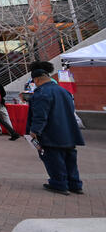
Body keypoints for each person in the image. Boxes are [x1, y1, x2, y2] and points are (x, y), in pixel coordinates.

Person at [27, 62, 85, 195]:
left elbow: (40, 115)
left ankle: (59, 183)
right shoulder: (64, 91)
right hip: (69, 132)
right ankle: (74, 184)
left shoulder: (41, 93)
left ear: (36, 79)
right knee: (70, 160)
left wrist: (35, 131)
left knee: (54, 159)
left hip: (52, 133)